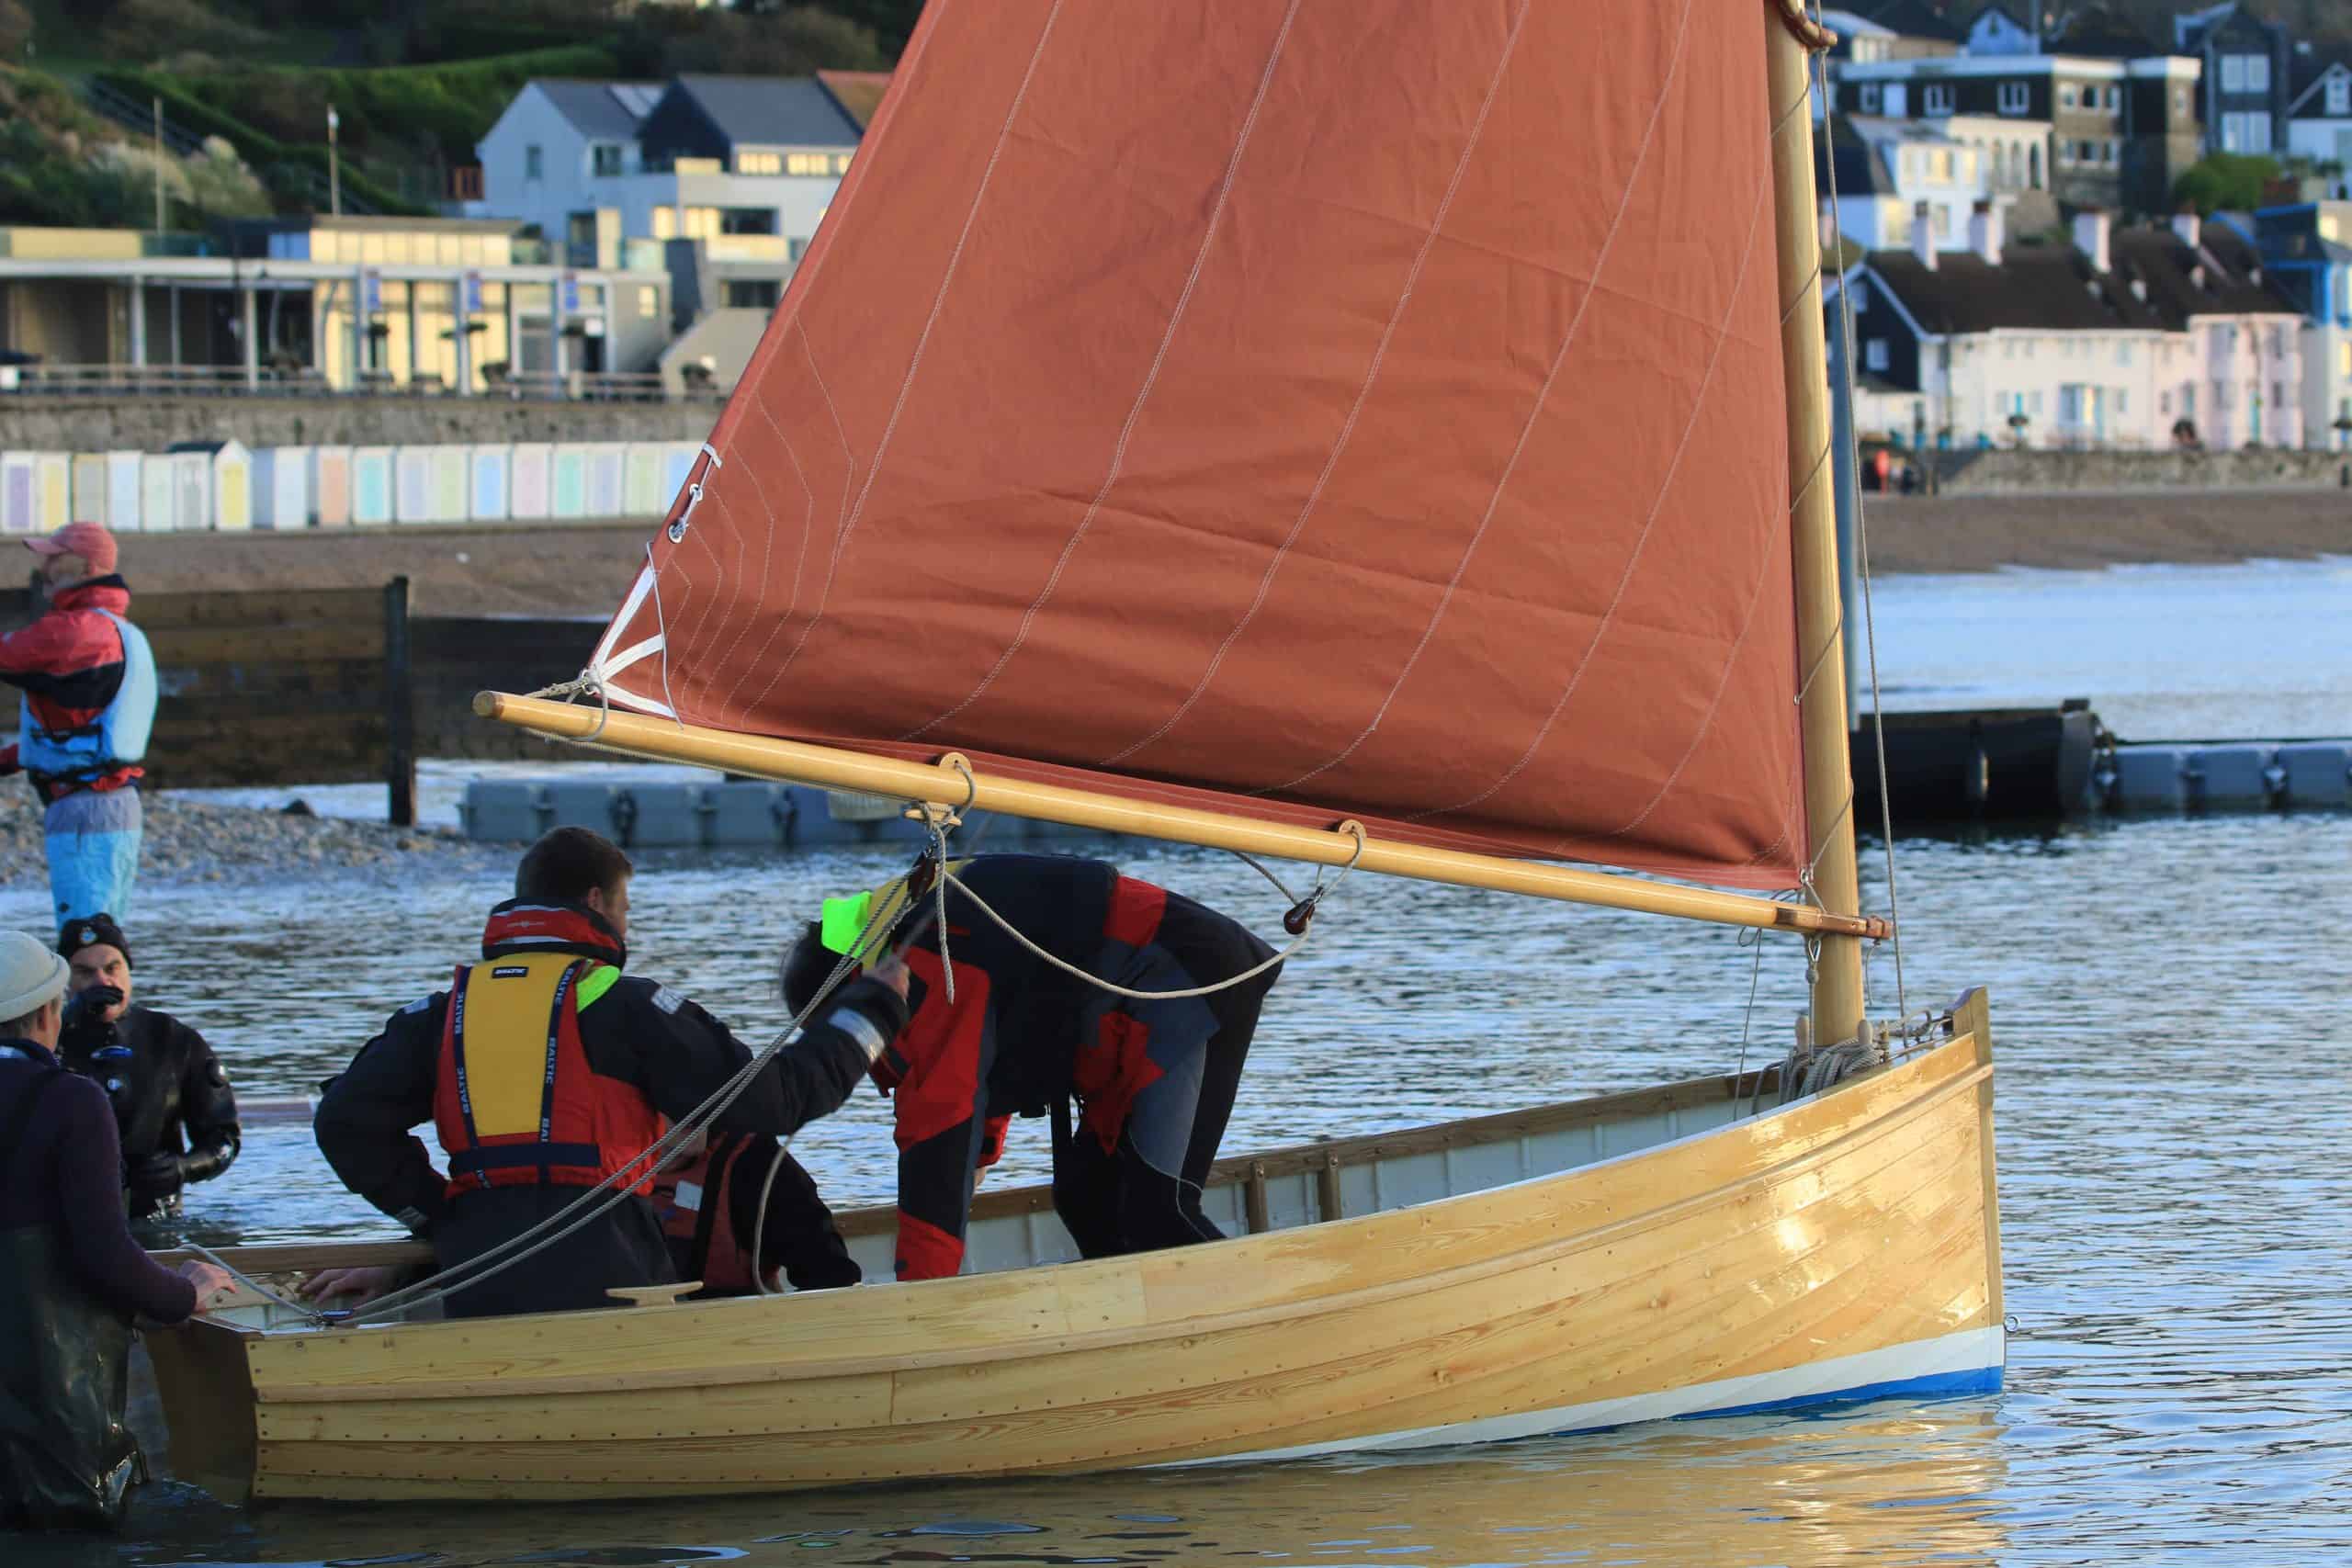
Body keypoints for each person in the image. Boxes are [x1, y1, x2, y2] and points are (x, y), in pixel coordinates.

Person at [310, 827, 908, 1319]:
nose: (626, 927)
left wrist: (441, 1216)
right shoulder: (629, 1009)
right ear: (596, 902)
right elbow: (781, 1099)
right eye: (626, 909)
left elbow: (343, 1122)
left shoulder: (440, 1017)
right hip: (613, 1285)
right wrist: (871, 1012)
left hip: (482, 1290)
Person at [781, 853, 1281, 1282]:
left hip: (1187, 977)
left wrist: (919, 1304)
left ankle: (1271, 1316)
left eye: (841, 1037)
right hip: (1138, 1006)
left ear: (851, 997)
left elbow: (940, 1127)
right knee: (1086, 1200)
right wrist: (977, 1159)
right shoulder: (914, 938)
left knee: (1158, 1210)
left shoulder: (927, 966)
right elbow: (989, 1059)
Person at [0, 929, 236, 1531]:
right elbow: (103, 1249)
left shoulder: (169, 1041)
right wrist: (182, 1293)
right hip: (55, 1414)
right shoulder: (71, 1099)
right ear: (49, 1012)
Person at [0, 522, 157, 932]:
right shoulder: (120, 631)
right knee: (101, 937)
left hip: (84, 812)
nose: (44, 567)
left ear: (87, 568)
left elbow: (7, 655)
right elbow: (76, 736)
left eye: (55, 557)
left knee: (84, 940)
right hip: (115, 807)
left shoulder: (74, 632)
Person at [54, 914, 240, 1224]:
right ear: (66, 982)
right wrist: (68, 1026)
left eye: (112, 968)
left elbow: (224, 1138)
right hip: (67, 1217)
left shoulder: (173, 1039)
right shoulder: (47, 1042)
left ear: (129, 970)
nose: (102, 982)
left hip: (156, 1217)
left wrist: (184, 1168)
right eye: (85, 972)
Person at [649, 1129, 860, 1297]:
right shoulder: (626, 1169)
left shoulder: (754, 1165)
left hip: (726, 1325)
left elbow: (833, 1279)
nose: (686, 1108)